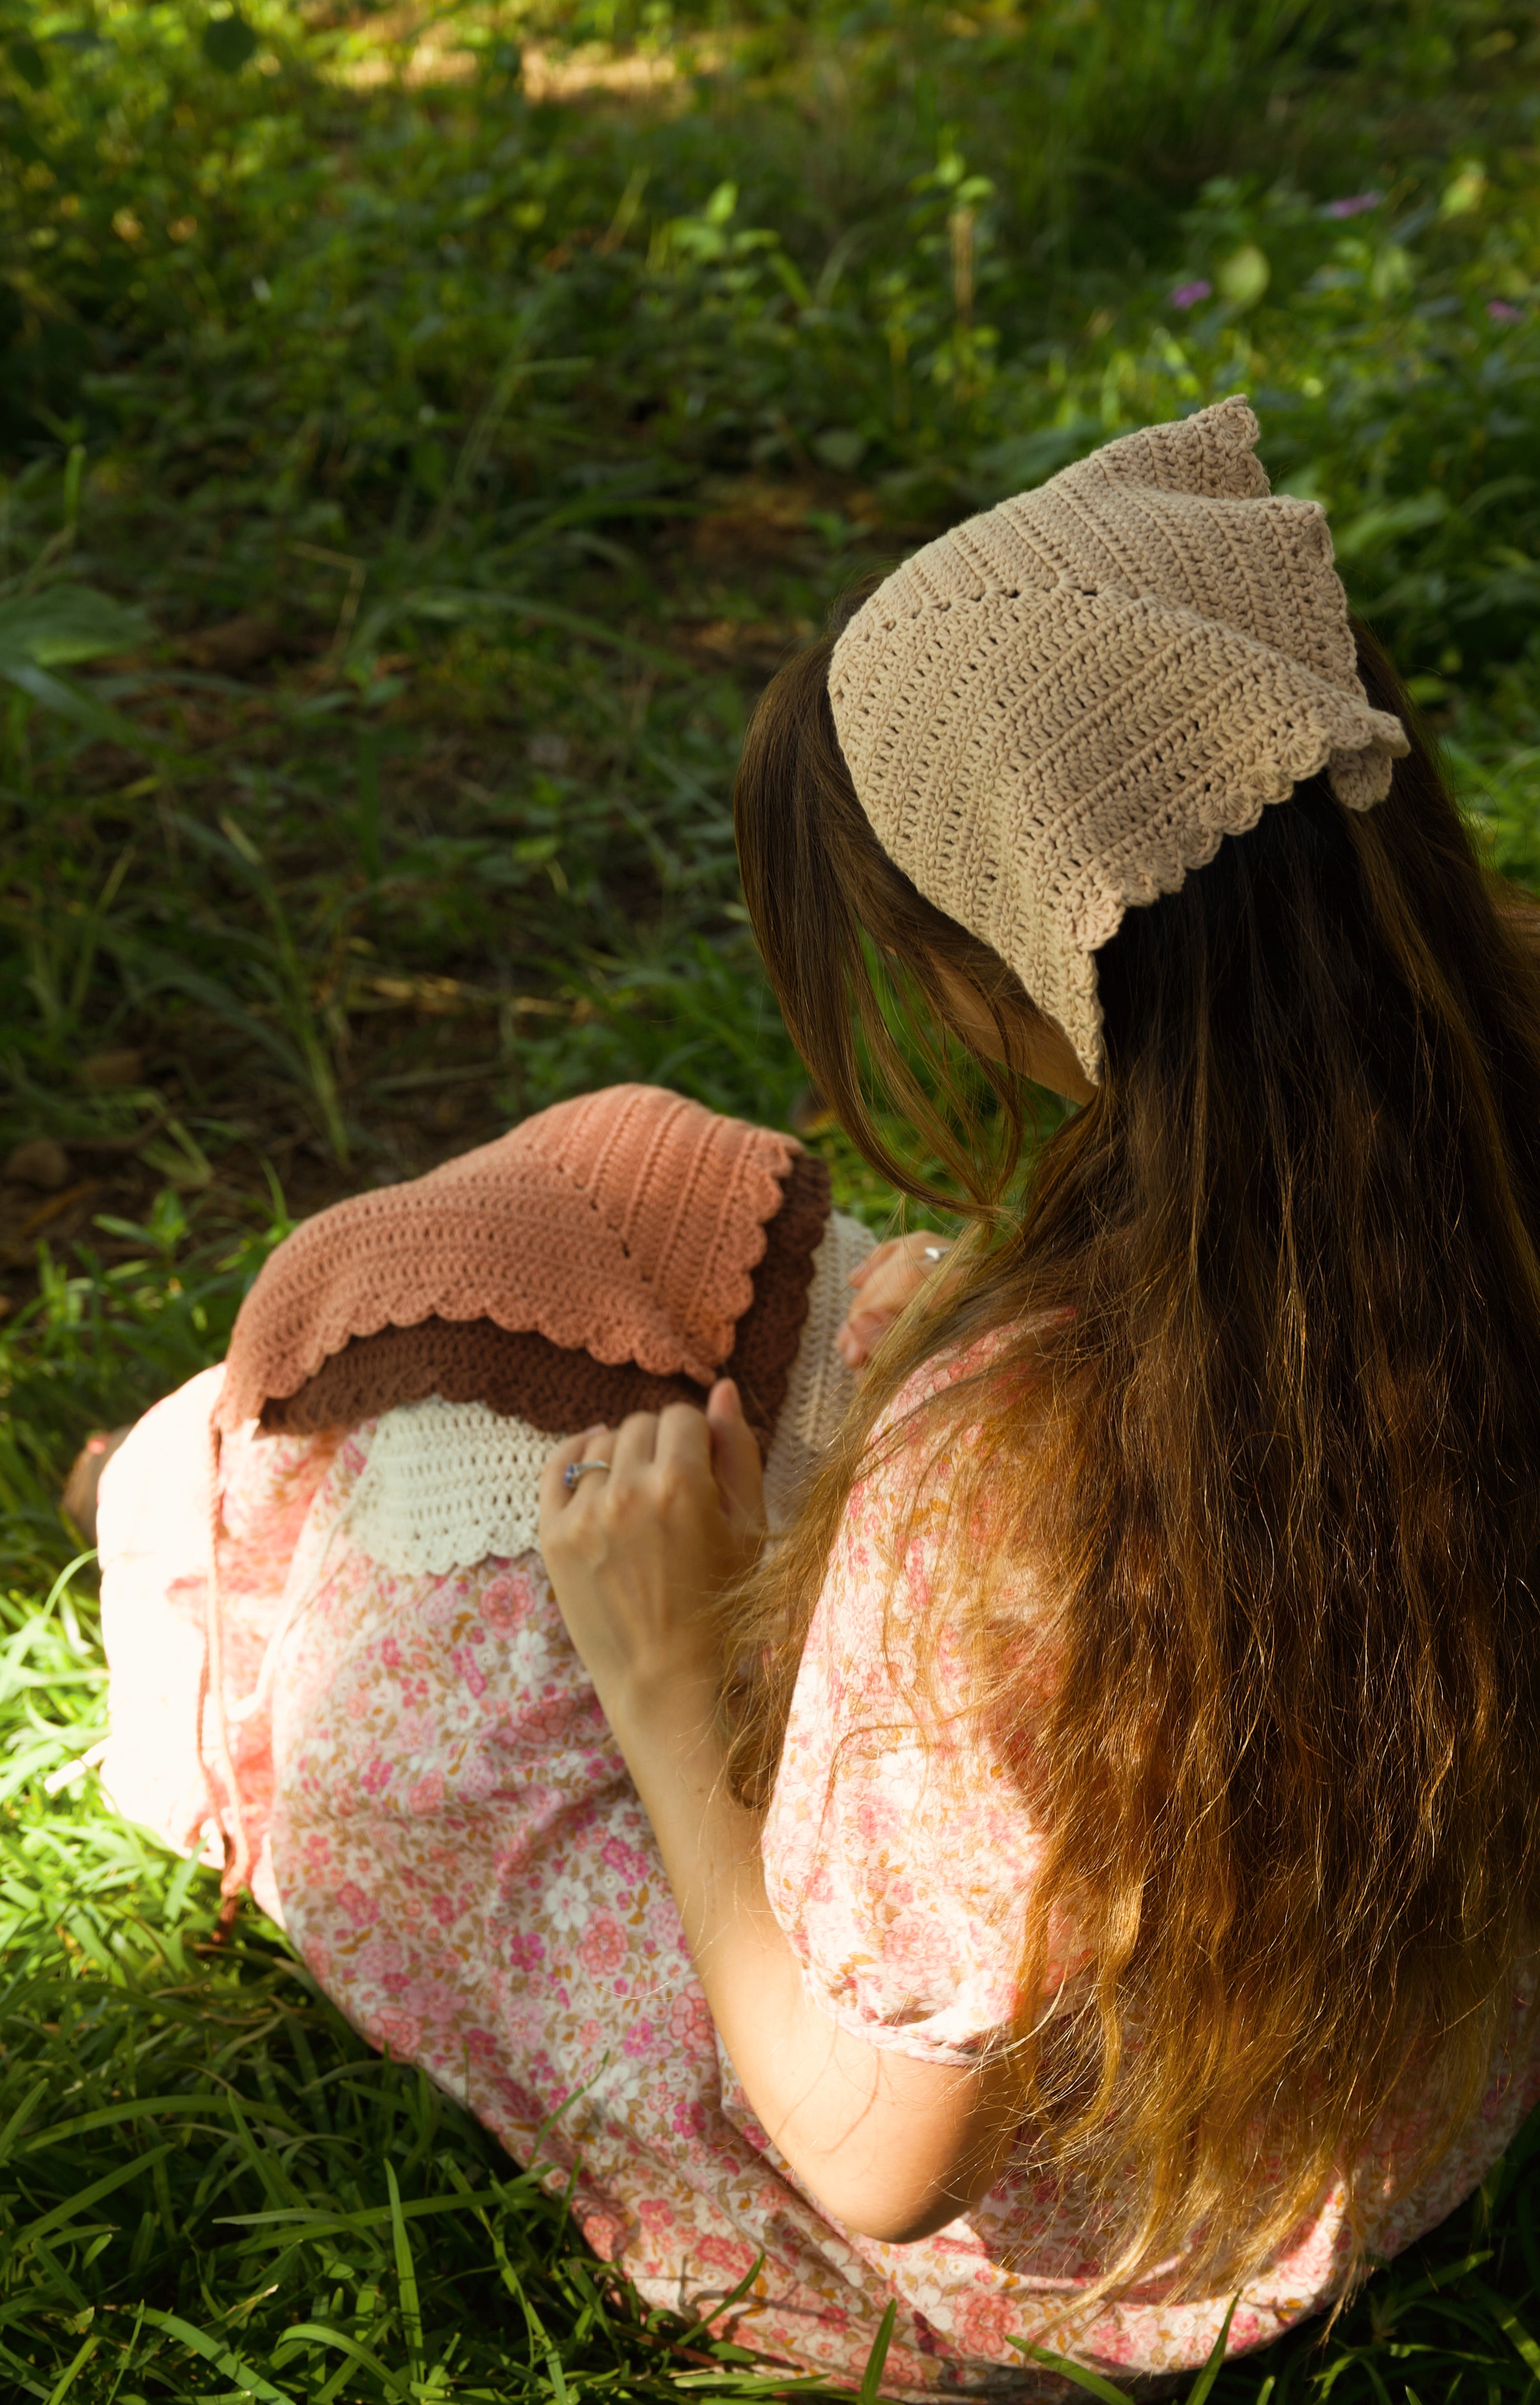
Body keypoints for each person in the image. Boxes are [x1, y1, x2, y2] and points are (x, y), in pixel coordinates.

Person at [94, 395, 1540, 2397]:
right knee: (602, 1199)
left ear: (1019, 968)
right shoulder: (1472, 1118)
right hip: (1402, 2086)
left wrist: (674, 1688)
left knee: (387, 1746)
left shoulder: (1023, 1469)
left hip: (1113, 2228)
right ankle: (184, 1479)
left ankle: (173, 1522)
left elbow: (879, 2156)